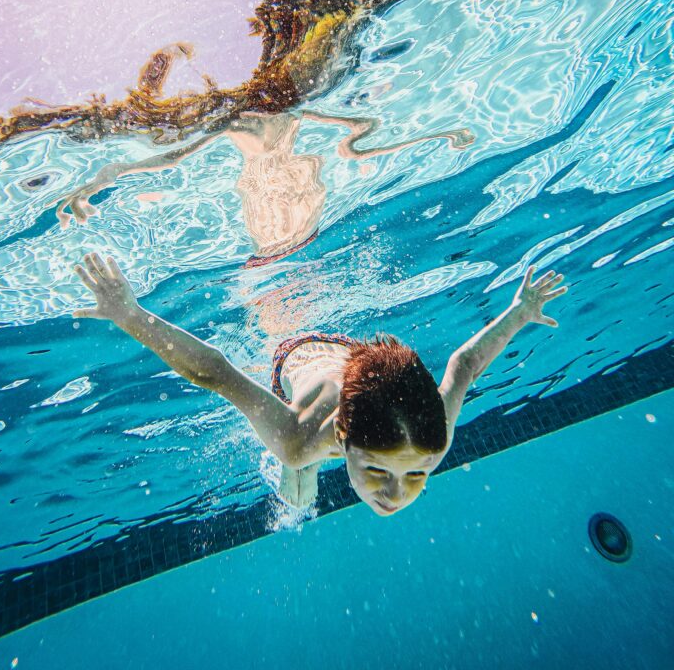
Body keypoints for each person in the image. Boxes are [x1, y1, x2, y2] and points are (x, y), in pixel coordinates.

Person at [72, 254, 567, 512]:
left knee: (301, 483)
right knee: (298, 486)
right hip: (294, 345)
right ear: (344, 439)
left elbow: (466, 366)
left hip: (362, 364)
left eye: (416, 475)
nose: (398, 493)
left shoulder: (430, 441)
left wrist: (521, 311)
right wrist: (130, 315)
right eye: (379, 472)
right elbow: (215, 372)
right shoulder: (300, 437)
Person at [56, 108, 475, 266]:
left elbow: (363, 134)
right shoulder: (244, 123)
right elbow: (166, 158)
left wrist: (439, 134)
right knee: (281, 305)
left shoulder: (295, 115)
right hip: (280, 232)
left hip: (300, 226)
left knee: (287, 301)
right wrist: (94, 183)